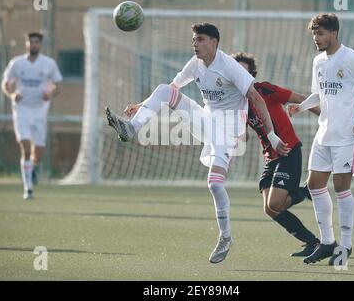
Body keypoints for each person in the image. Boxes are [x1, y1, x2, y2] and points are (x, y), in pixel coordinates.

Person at [105, 23, 290, 263]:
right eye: (194, 39)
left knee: (214, 184)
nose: (195, 44)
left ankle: (226, 237)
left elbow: (257, 99)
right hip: (206, 121)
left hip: (229, 130)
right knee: (164, 89)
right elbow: (173, 88)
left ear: (214, 42)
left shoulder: (230, 66)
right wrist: (142, 105)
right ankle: (132, 128)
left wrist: (272, 136)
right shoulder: (195, 64)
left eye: (200, 39)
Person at [288, 13, 354, 266]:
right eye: (313, 34)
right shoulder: (318, 61)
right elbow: (318, 94)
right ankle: (328, 242)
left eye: (320, 34)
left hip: (347, 135)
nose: (316, 39)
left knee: (341, 188)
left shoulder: (351, 58)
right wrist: (302, 106)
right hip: (324, 133)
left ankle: (346, 245)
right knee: (314, 184)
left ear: (334, 33)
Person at [232, 52, 321, 257]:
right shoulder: (238, 102)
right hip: (270, 158)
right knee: (270, 209)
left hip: (288, 151)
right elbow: (243, 136)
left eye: (243, 71)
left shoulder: (265, 90)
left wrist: (326, 116)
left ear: (251, 75)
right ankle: (312, 242)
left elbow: (300, 99)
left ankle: (306, 192)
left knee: (275, 203)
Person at [2, 32, 62, 200]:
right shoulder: (17, 63)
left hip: (40, 111)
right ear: (26, 44)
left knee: (38, 152)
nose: (33, 44)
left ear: (40, 44)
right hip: (21, 111)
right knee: (26, 148)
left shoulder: (48, 63)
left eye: (36, 42)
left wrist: (51, 93)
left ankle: (32, 168)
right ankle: (28, 188)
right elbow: (5, 84)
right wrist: (12, 94)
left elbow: (57, 85)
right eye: (31, 42)